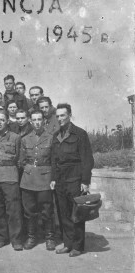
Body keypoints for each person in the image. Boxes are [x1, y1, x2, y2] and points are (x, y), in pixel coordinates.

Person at [51, 103, 94, 257]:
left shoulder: (80, 134)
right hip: (61, 181)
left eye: (63, 115)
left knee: (77, 214)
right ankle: (68, 244)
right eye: (57, 116)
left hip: (75, 179)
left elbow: (87, 159)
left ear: (69, 115)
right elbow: (53, 160)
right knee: (64, 214)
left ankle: (78, 246)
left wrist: (85, 181)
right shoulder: (56, 136)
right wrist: (53, 179)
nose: (60, 119)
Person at [19, 110, 56, 251]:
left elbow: (53, 160)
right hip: (28, 179)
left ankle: (50, 238)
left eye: (39, 119)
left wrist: (52, 178)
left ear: (44, 121)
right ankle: (31, 237)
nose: (37, 122)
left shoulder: (51, 138)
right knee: (29, 211)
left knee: (47, 210)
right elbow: (22, 161)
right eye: (34, 120)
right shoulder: (25, 139)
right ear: (30, 121)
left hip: (45, 178)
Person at [0, 111, 23, 251]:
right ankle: (1, 237)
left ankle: (16, 239)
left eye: (2, 120)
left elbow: (19, 158)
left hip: (10, 176)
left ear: (7, 121)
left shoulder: (15, 137)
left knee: (13, 210)